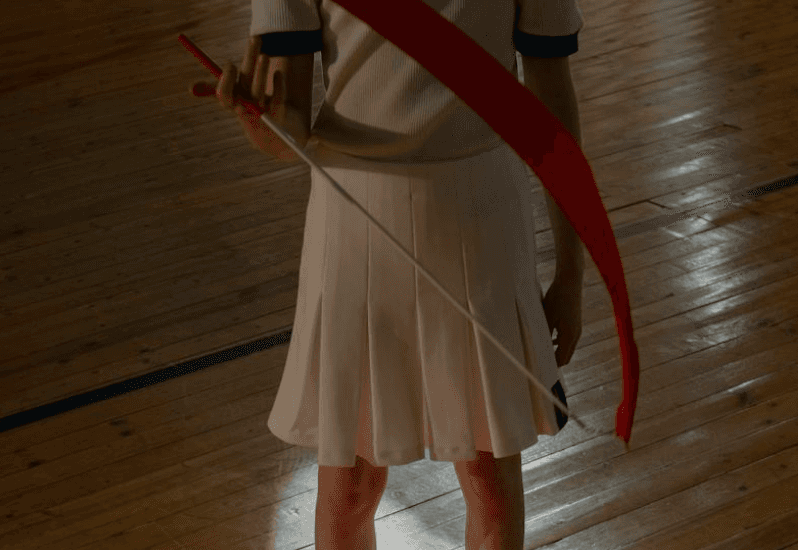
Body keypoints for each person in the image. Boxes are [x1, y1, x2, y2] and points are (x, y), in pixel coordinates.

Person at [195, 0, 585, 548]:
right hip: (355, 219)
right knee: (350, 488)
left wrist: (573, 269)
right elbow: (287, 127)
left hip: (482, 214)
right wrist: (258, 121)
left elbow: (551, 90)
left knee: (491, 486)